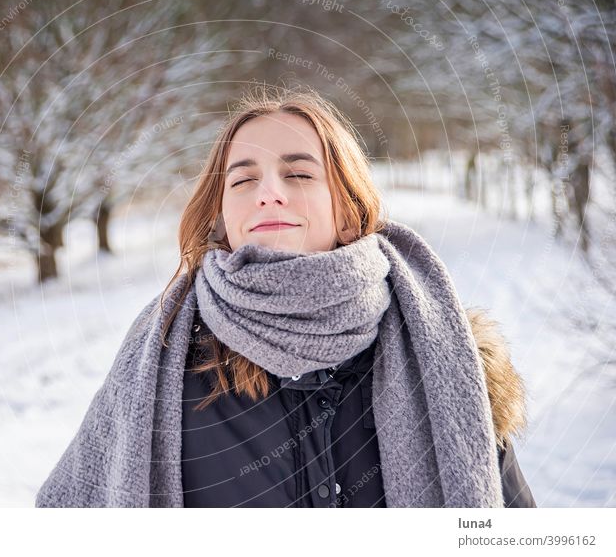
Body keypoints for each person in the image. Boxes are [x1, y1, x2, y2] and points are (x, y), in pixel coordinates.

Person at [35, 85, 537, 508]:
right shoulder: (163, 363)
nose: (268, 192)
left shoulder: (440, 355)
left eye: (298, 173)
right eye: (244, 179)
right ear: (222, 218)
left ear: (348, 209)